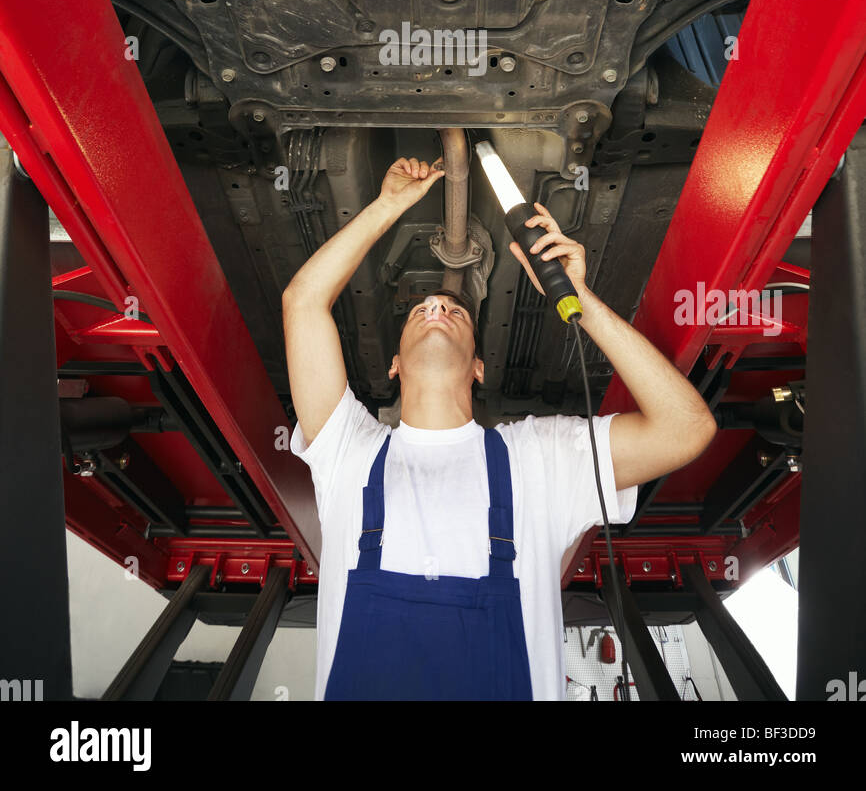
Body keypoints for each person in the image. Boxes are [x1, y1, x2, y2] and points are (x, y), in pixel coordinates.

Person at [283, 155, 717, 701]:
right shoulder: (348, 448)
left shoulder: (539, 455)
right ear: (393, 364)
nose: (437, 301)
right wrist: (387, 205)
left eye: (453, 309)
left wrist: (581, 301)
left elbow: (686, 429)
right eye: (421, 308)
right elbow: (301, 302)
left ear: (479, 368)